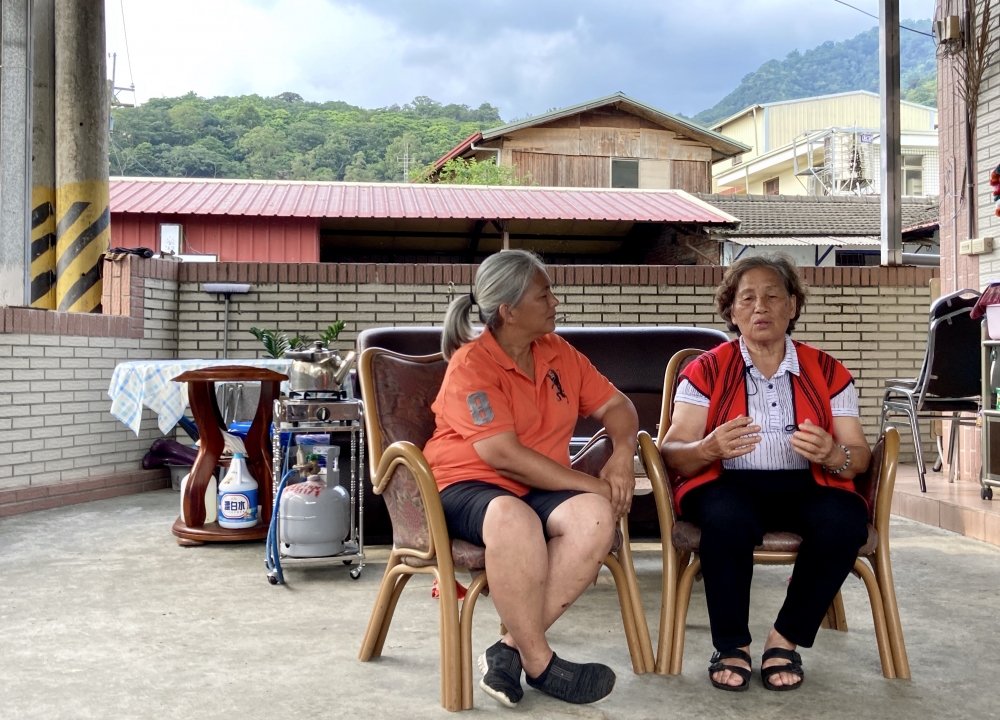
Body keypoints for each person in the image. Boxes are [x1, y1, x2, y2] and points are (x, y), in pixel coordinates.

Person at [422, 249, 639, 707]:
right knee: (513, 516)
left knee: (595, 517)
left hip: (536, 487)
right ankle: (540, 663)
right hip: (465, 484)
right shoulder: (472, 366)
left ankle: (509, 650)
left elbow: (618, 406)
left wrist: (622, 454)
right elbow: (503, 457)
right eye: (544, 295)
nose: (555, 301)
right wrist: (593, 483)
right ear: (509, 311)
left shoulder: (558, 352)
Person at [661, 254, 871, 692]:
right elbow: (673, 453)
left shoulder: (828, 370)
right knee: (727, 518)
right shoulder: (706, 369)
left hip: (809, 483)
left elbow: (859, 455)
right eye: (748, 298)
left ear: (792, 306)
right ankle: (732, 645)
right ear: (731, 310)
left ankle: (784, 640)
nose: (761, 307)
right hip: (727, 483)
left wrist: (835, 455)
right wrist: (708, 447)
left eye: (773, 296)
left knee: (845, 520)